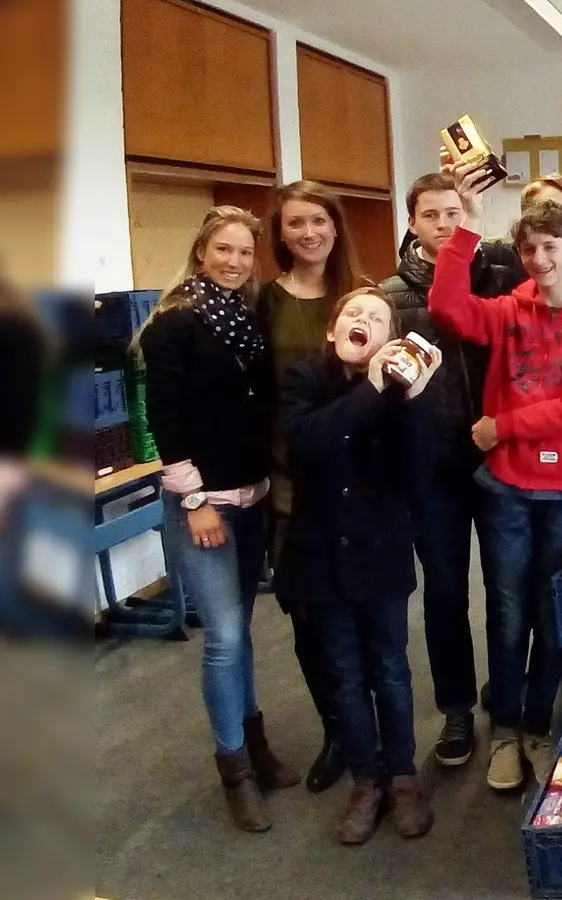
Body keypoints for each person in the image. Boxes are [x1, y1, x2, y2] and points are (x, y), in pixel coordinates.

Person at [428, 178, 562, 793]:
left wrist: (503, 426)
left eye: (550, 247)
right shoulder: (506, 310)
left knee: (552, 609)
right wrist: (467, 225)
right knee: (508, 611)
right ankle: (506, 731)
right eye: (529, 249)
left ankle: (539, 725)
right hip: (507, 489)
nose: (539, 259)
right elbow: (446, 307)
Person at [137, 206, 298, 832]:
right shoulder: (176, 321)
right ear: (201, 251)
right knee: (225, 637)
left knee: (243, 632)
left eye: (244, 252)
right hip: (202, 505)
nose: (234, 262)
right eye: (223, 250)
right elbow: (165, 418)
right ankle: (234, 769)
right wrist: (195, 500)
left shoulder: (246, 318)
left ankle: (255, 746)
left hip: (253, 497)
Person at [277, 288, 440, 843]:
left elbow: (419, 471)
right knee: (344, 676)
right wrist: (370, 387)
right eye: (353, 313)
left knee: (391, 670)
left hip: (381, 555)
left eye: (376, 318)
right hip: (320, 557)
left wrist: (414, 398)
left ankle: (402, 776)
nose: (362, 320)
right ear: (332, 330)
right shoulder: (303, 379)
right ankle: (365, 780)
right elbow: (308, 445)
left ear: (390, 338)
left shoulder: (402, 391)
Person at [379, 172, 523, 769]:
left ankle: (507, 700)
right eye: (431, 214)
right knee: (444, 592)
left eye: (453, 212)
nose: (444, 224)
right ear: (412, 223)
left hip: (498, 454)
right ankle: (456, 707)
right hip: (432, 465)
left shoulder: (499, 273)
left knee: (505, 588)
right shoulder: (391, 295)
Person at [258, 180, 369, 794]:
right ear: (281, 233)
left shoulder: (362, 295)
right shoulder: (265, 300)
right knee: (306, 614)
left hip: (357, 482)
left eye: (319, 221)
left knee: (365, 612)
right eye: (296, 223)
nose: (308, 233)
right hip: (290, 482)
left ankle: (369, 729)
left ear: (335, 227)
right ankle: (337, 730)